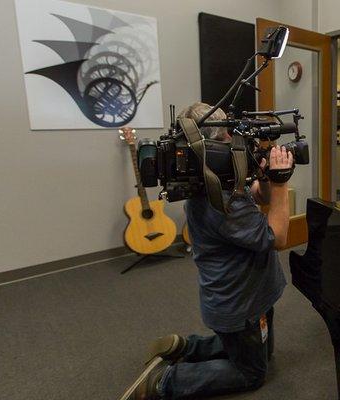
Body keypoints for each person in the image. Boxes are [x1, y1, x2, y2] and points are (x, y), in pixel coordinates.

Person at [120, 102, 293, 400]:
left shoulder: (209, 179)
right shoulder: (219, 201)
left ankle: (185, 348)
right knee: (251, 372)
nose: (235, 140)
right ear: (210, 145)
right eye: (228, 137)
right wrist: (281, 184)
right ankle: (166, 381)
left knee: (261, 351)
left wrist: (264, 176)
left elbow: (255, 194)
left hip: (250, 295)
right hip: (239, 304)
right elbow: (276, 237)